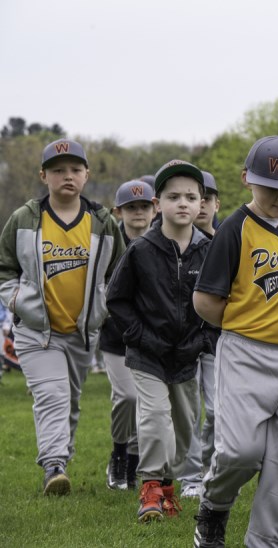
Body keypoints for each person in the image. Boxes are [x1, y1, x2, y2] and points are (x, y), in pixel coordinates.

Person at [192, 136, 278, 547]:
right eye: (271, 188)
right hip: (246, 354)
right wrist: (248, 324)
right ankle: (214, 506)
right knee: (240, 452)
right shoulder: (235, 229)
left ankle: (266, 541)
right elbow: (204, 301)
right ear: (246, 179)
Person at [0, 139, 125, 496]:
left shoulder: (102, 222)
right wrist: (17, 300)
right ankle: (53, 465)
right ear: (43, 176)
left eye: (75, 169)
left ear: (87, 174)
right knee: (52, 394)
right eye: (58, 170)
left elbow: (119, 273)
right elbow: (4, 268)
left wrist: (103, 306)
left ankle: (60, 461)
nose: (67, 176)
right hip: (36, 331)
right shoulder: (24, 219)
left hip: (82, 333)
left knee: (68, 400)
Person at [106, 160, 213, 523]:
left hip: (187, 356)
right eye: (173, 197)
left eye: (191, 197)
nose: (183, 203)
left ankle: (168, 485)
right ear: (157, 204)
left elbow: (222, 304)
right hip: (146, 354)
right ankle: (150, 488)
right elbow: (116, 300)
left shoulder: (209, 250)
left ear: (201, 203)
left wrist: (202, 341)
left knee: (184, 426)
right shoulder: (141, 250)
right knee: (154, 417)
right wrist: (141, 337)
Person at [100, 179, 157, 491]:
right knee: (127, 396)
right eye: (131, 207)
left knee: (146, 403)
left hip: (151, 336)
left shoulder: (163, 241)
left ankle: (133, 464)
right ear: (117, 211)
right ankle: (119, 455)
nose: (138, 212)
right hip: (115, 334)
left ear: (154, 209)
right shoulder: (108, 244)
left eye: (144, 206)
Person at [178, 170, 221, 499]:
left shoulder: (226, 241)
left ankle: (210, 465)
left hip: (217, 341)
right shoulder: (174, 242)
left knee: (218, 412)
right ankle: (191, 476)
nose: (202, 205)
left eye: (207, 199)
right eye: (197, 198)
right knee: (189, 412)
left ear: (216, 204)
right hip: (182, 342)